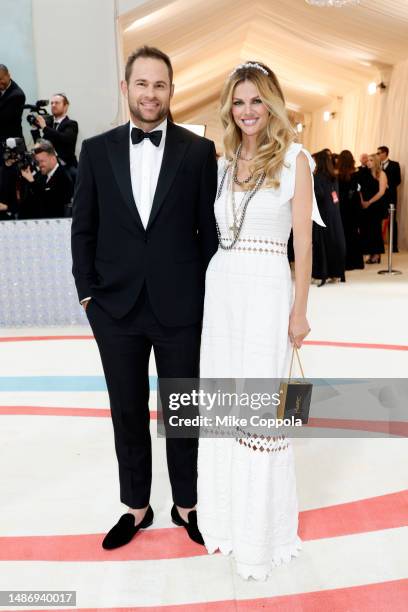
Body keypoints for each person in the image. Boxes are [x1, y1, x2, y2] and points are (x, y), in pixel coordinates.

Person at [71, 46, 218, 550]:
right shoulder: (95, 150)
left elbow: (209, 233)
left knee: (183, 409)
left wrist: (204, 295)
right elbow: (83, 230)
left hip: (181, 306)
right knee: (127, 410)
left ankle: (187, 503)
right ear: (125, 88)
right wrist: (88, 297)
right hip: (115, 309)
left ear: (171, 90)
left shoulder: (199, 153)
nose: (150, 94)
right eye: (142, 84)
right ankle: (136, 506)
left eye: (160, 85)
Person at [196, 61, 325, 580]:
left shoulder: (295, 159)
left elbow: (305, 244)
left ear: (272, 104)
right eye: (239, 101)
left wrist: (300, 311)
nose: (248, 111)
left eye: (257, 100)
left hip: (268, 289)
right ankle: (226, 522)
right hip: (222, 290)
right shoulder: (225, 163)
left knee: (264, 409)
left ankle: (261, 532)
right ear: (230, 107)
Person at [312, 150, 346, 285]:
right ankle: (335, 273)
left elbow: (318, 195)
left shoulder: (317, 177)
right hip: (334, 215)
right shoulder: (333, 177)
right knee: (334, 242)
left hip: (322, 214)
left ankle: (321, 274)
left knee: (321, 243)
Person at [19, 139, 73, 219]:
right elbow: (28, 202)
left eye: (42, 161)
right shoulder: (39, 176)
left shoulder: (64, 176)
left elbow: (50, 203)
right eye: (37, 162)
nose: (39, 165)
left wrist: (32, 182)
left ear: (53, 158)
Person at [34, 93, 78, 181]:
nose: (53, 105)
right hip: (50, 166)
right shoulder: (49, 124)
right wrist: (35, 129)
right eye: (52, 103)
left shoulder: (71, 124)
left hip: (66, 166)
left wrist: (45, 128)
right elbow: (41, 145)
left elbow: (65, 138)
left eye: (57, 103)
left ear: (66, 106)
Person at [337, 150, 364, 270]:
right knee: (354, 234)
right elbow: (358, 190)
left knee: (343, 234)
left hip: (341, 207)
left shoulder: (337, 176)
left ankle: (344, 262)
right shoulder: (357, 174)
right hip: (354, 206)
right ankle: (356, 262)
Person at [359, 153, 388, 264]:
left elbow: (381, 192)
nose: (368, 162)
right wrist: (362, 201)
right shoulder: (364, 174)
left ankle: (376, 255)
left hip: (376, 205)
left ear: (375, 161)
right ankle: (370, 253)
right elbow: (359, 188)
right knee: (366, 230)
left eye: (371, 160)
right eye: (368, 160)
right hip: (365, 205)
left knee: (375, 230)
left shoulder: (381, 174)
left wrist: (369, 202)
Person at [377, 146, 401, 252]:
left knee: (392, 221)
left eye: (379, 153)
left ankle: (394, 246)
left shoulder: (395, 165)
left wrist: (387, 184)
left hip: (391, 197)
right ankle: (378, 246)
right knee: (378, 220)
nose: (377, 155)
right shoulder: (377, 165)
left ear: (385, 153)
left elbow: (398, 180)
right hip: (379, 197)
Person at [0, 65, 26, 144]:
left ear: (8, 75)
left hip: (11, 143)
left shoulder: (17, 95)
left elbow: (3, 119)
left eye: (0, 79)